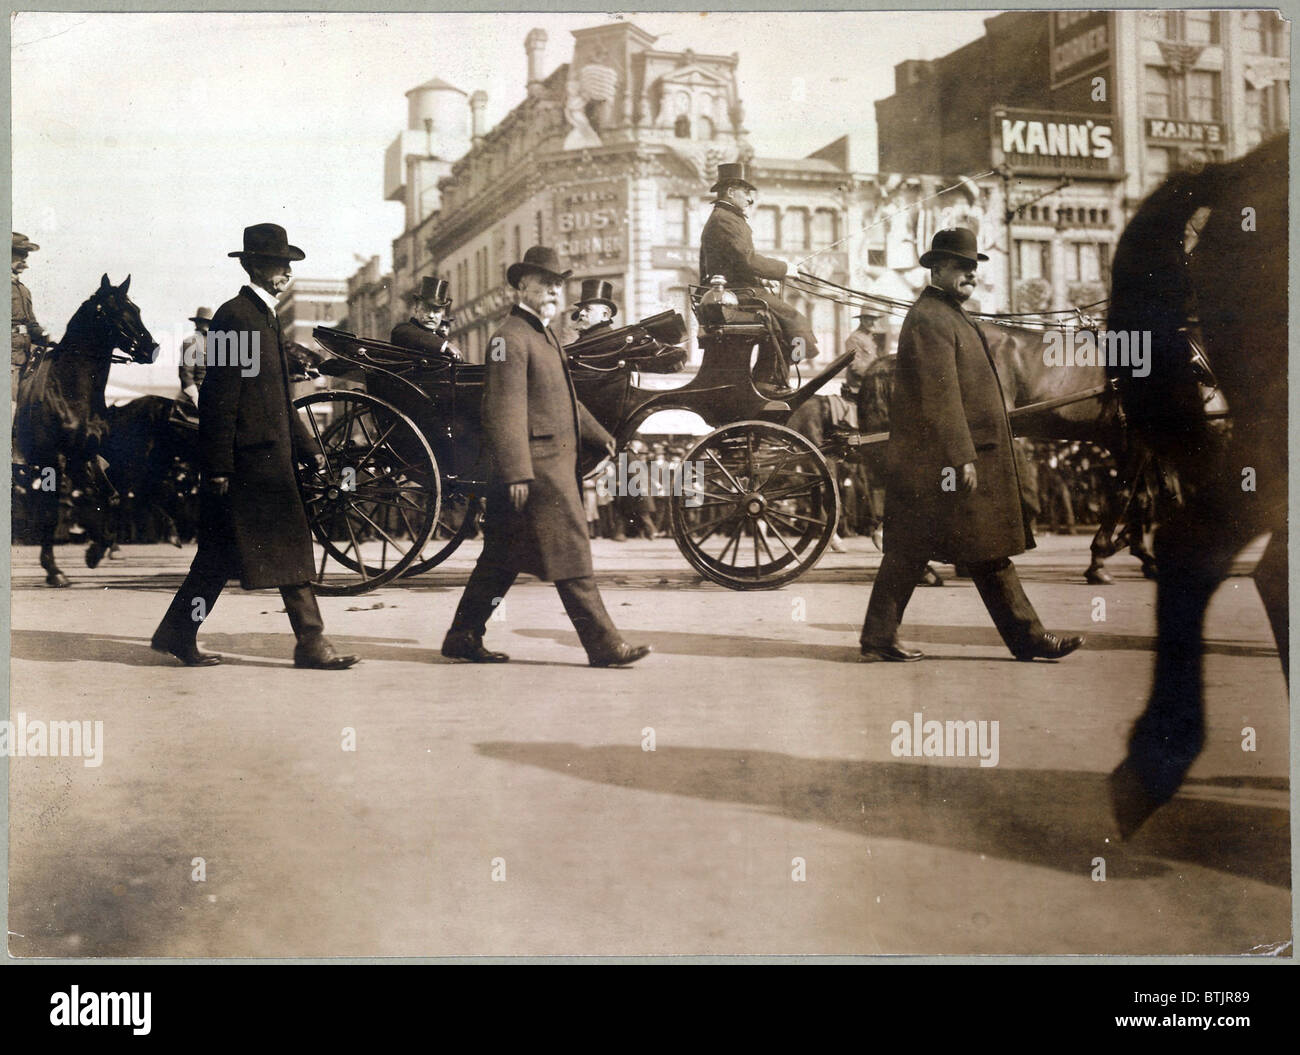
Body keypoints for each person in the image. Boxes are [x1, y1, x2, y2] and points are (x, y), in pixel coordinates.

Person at [859, 228, 1084, 663]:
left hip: (949, 459)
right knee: (948, 550)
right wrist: (961, 454)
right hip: (944, 462)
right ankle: (1027, 639)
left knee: (967, 550)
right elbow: (938, 395)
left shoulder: (950, 314)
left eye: (973, 268)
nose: (970, 275)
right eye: (961, 267)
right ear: (937, 268)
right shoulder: (930, 318)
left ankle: (882, 637)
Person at [151, 223, 358, 670]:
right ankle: (312, 643)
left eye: (287, 264)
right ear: (254, 266)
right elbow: (221, 396)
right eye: (277, 264)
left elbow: (280, 398)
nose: (285, 272)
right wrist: (220, 465)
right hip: (251, 463)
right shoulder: (237, 317)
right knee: (289, 548)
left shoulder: (262, 317)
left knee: (217, 559)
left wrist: (308, 448)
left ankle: (178, 632)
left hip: (267, 454)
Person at [440, 245, 650, 667]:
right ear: (521, 286)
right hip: (535, 469)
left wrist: (599, 435)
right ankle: (603, 644)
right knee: (570, 551)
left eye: (558, 284)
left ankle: (463, 635)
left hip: (548, 464)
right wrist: (517, 471)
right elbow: (503, 408)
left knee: (500, 558)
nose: (555, 291)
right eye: (545, 284)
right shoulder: (508, 337)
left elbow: (566, 400)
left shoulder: (544, 334)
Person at [699, 162, 819, 390]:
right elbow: (748, 259)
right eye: (746, 192)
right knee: (795, 321)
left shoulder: (726, 217)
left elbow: (737, 261)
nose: (750, 199)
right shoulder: (725, 219)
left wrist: (764, 277)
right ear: (731, 192)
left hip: (737, 289)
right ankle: (768, 379)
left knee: (786, 323)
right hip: (736, 293)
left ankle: (772, 375)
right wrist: (784, 269)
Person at [11, 232, 51, 395]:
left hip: (25, 356)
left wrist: (44, 334)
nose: (25, 261)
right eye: (20, 255)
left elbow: (30, 324)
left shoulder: (24, 290)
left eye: (25, 256)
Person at [391, 276, 462, 359]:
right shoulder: (403, 331)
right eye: (426, 310)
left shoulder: (443, 338)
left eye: (436, 311)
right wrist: (445, 346)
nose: (431, 316)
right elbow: (403, 333)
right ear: (416, 308)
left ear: (442, 313)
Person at [178, 307, 213, 411]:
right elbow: (186, 374)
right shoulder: (191, 342)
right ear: (197, 323)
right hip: (198, 393)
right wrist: (196, 398)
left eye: (207, 323)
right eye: (202, 322)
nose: (205, 326)